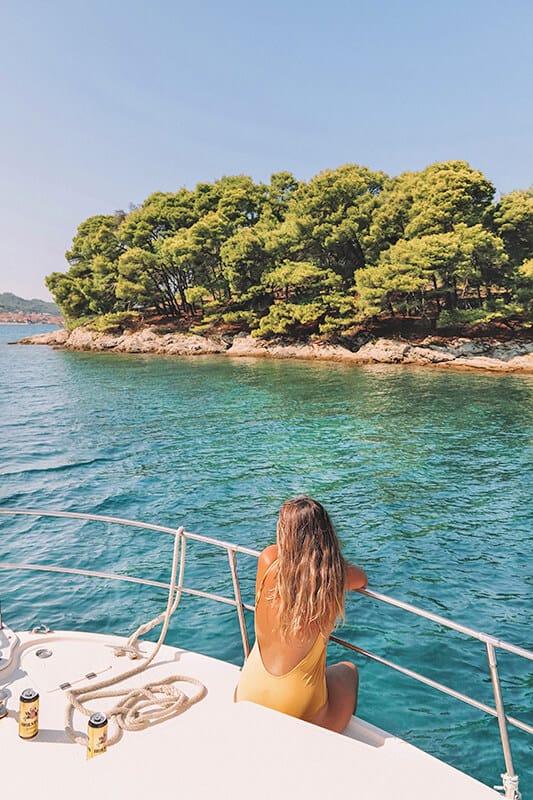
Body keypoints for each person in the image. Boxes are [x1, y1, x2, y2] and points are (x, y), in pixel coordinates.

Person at [235, 496, 367, 732]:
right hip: (296, 706)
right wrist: (328, 559)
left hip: (248, 689)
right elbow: (361, 578)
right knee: (349, 671)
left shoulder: (268, 560)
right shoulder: (331, 579)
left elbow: (285, 558)